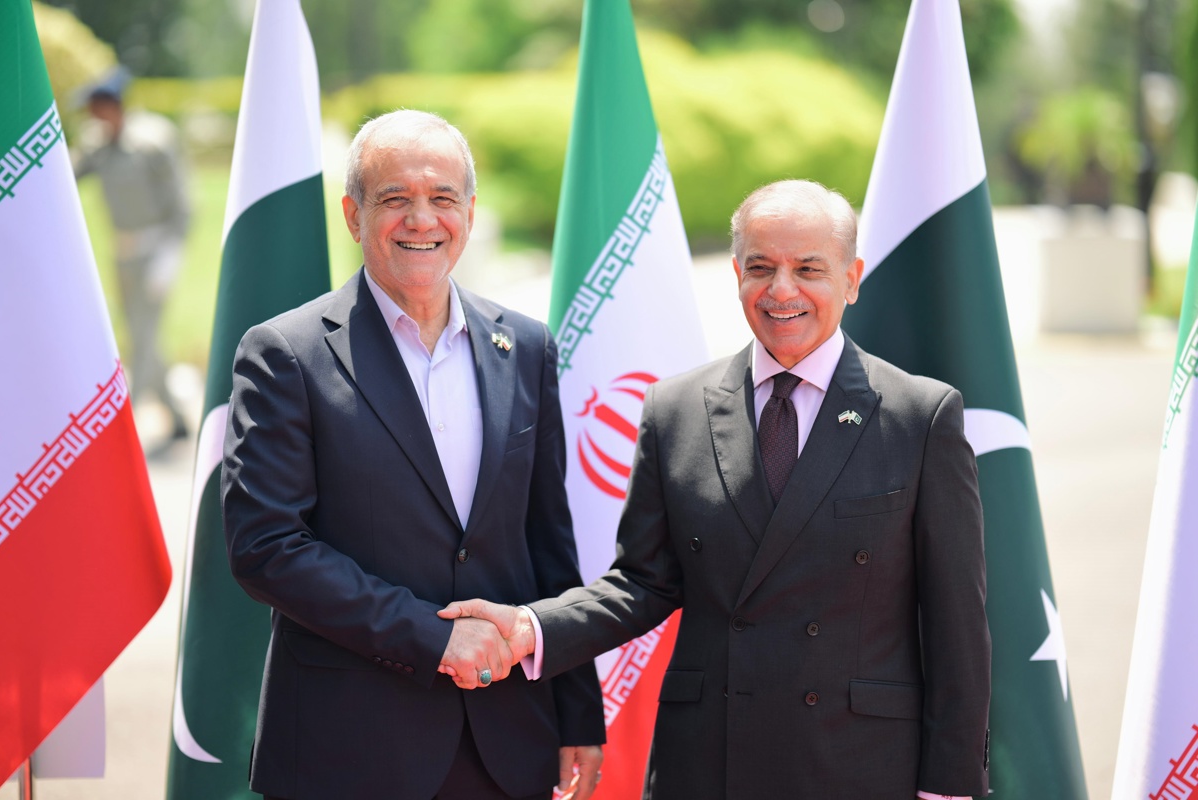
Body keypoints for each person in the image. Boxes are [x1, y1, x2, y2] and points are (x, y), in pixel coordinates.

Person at [440, 180, 992, 800]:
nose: (781, 291)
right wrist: (529, 627)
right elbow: (642, 584)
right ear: (736, 274)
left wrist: (950, 788)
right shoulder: (675, 410)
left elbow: (957, 629)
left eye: (808, 268)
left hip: (858, 764)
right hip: (710, 762)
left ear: (852, 277)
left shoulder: (919, 416)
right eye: (761, 268)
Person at [221, 109, 605, 800]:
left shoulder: (525, 346)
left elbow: (548, 542)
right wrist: (432, 639)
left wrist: (577, 708)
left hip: (505, 740)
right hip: (349, 748)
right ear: (353, 213)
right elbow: (266, 547)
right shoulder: (286, 353)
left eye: (442, 199)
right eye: (395, 199)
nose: (422, 220)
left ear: (470, 211)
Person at [72, 67, 190, 447]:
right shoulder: (98, 144)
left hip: (155, 250)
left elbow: (181, 203)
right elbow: (70, 171)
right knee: (142, 336)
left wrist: (171, 255)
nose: (92, 118)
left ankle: (127, 425)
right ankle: (176, 417)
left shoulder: (152, 141)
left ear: (112, 106)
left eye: (96, 109)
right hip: (122, 255)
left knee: (141, 337)